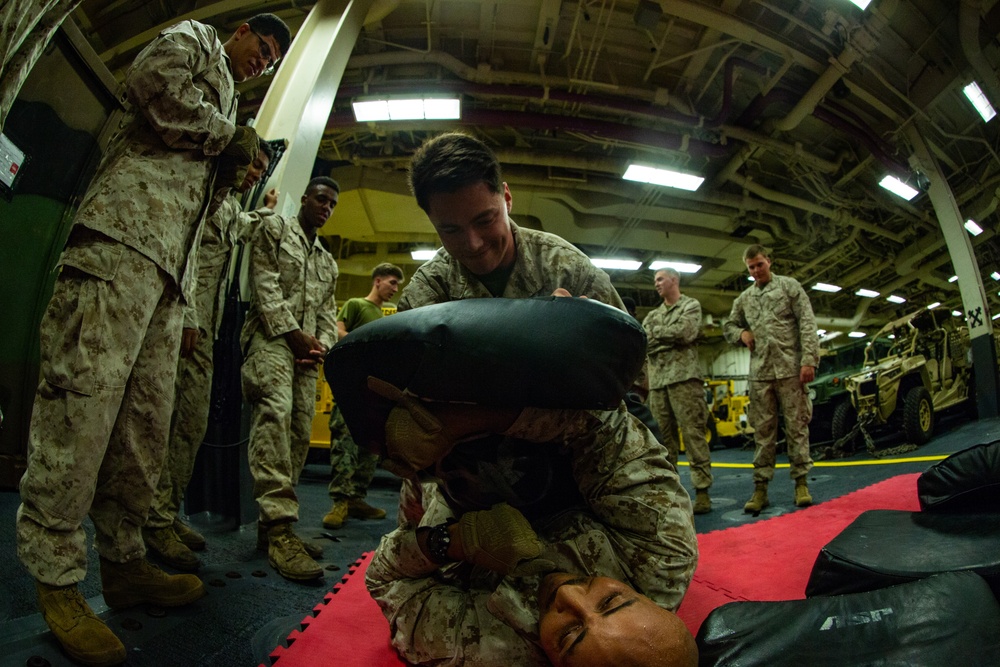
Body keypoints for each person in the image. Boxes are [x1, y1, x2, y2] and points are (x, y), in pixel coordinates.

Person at [14, 13, 290, 667]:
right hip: (120, 240)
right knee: (80, 408)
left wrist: (231, 162)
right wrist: (229, 138)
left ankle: (125, 557)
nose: (266, 62)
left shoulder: (226, 94)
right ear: (242, 29)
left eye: (275, 61)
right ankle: (55, 575)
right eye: (266, 48)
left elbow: (202, 189)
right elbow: (151, 86)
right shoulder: (194, 39)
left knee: (144, 429)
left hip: (170, 273)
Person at [365, 397, 699, 666]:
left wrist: (456, 542)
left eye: (569, 635)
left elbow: (385, 580)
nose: (568, 595)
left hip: (457, 501)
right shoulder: (662, 557)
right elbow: (601, 420)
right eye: (610, 600)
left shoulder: (490, 648)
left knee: (420, 485)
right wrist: (459, 420)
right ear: (644, 597)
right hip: (562, 452)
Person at [143, 143, 278, 572]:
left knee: (189, 424)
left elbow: (241, 227)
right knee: (165, 423)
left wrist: (270, 211)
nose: (256, 173)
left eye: (261, 169)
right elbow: (183, 253)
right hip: (182, 323)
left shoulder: (228, 205)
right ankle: (152, 520)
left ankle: (162, 513)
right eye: (252, 164)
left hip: (204, 330)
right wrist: (186, 315)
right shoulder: (202, 194)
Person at [397, 132, 625, 311]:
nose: (473, 243)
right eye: (450, 229)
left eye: (485, 220)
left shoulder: (570, 272)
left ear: (507, 198)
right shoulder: (430, 289)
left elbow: (631, 362)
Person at [241, 176, 340, 582]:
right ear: (303, 198)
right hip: (270, 339)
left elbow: (327, 313)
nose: (326, 208)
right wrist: (292, 334)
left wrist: (321, 346)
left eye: (332, 205)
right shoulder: (274, 230)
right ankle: (281, 528)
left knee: (300, 429)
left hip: (303, 355)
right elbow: (264, 284)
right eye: (320, 199)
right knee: (276, 414)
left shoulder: (326, 261)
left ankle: (272, 529)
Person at [723, 244, 819, 513]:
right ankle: (760, 489)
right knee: (762, 433)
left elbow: (807, 323)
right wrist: (741, 334)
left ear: (769, 261)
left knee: (797, 427)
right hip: (760, 373)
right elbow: (728, 326)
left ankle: (801, 484)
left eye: (759, 265)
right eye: (751, 267)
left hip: (790, 369)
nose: (756, 271)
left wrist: (809, 360)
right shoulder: (744, 299)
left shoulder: (789, 287)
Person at [322, 262, 404, 530]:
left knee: (369, 449)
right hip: (351, 389)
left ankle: (357, 498)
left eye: (397, 285)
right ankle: (340, 502)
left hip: (373, 394)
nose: (395, 288)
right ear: (377, 280)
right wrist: (364, 347)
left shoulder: (384, 317)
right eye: (392, 282)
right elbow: (337, 330)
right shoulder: (356, 304)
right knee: (344, 445)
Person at [643, 268, 713, 514]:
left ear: (675, 280)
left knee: (694, 435)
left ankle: (702, 492)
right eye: (655, 281)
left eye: (660, 279)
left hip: (685, 381)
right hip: (659, 383)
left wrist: (658, 337)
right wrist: (667, 338)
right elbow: (644, 340)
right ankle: (671, 495)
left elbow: (687, 332)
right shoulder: (652, 315)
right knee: (663, 443)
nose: (656, 284)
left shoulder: (690, 306)